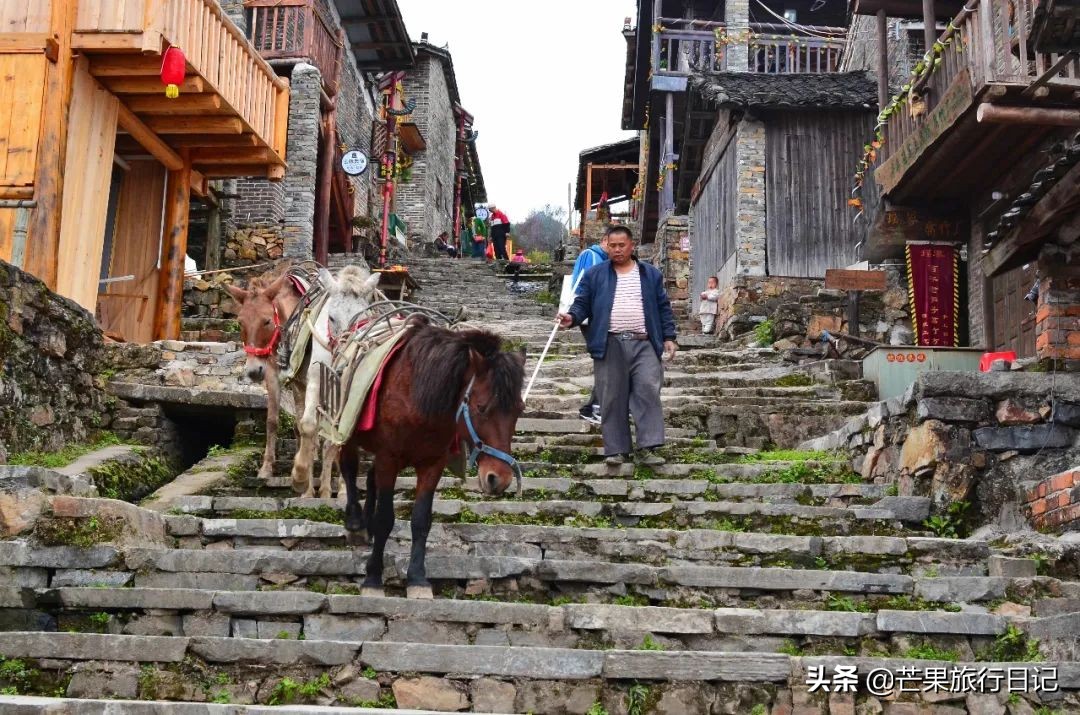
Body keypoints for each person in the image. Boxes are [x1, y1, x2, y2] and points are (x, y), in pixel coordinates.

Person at [558, 226, 677, 466]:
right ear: (606, 246)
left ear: (631, 246)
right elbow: (582, 304)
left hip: (644, 343)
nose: (617, 250)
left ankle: (648, 448)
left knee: (647, 391)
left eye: (621, 245)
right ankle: (616, 450)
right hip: (609, 342)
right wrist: (571, 317)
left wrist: (669, 337)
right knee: (611, 396)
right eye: (612, 245)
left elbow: (663, 307)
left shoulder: (650, 274)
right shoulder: (595, 275)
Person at [569, 231, 610, 425]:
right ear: (603, 241)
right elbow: (587, 287)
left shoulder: (603, 259)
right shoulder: (590, 256)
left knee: (607, 360)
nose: (615, 249)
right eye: (612, 244)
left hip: (598, 315)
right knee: (607, 359)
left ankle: (592, 406)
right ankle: (597, 407)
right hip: (592, 315)